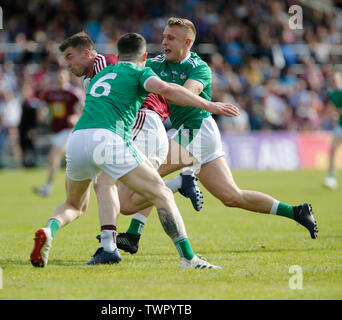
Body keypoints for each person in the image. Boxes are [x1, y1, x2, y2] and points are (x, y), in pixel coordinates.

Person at [30, 32, 239, 269]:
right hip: (113, 134)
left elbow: (148, 93)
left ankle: (65, 233)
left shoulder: (102, 70)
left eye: (70, 57)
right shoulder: (132, 71)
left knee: (82, 200)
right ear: (144, 57)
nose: (67, 64)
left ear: (114, 56)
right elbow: (166, 89)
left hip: (88, 135)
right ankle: (187, 256)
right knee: (152, 194)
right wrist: (209, 104)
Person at [113, 18, 318, 254]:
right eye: (164, 36)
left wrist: (161, 89)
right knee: (231, 196)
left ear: (187, 42)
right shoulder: (158, 63)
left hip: (196, 130)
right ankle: (297, 211)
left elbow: (186, 94)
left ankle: (135, 233)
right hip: (192, 132)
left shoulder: (199, 68)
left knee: (148, 177)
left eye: (171, 38)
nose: (164, 41)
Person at [33, 69, 83, 197]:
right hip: (55, 130)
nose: (60, 78)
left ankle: (47, 188)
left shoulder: (72, 92)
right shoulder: (50, 92)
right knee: (70, 161)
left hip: (68, 130)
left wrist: (76, 117)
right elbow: (43, 105)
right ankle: (79, 186)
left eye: (62, 76)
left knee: (53, 156)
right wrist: (42, 113)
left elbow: (84, 107)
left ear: (67, 78)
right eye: (58, 76)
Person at [323, 70, 342, 190]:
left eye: (337, 79)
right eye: (333, 80)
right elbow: (332, 108)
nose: (335, 81)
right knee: (332, 149)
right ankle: (332, 177)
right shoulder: (332, 94)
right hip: (340, 126)